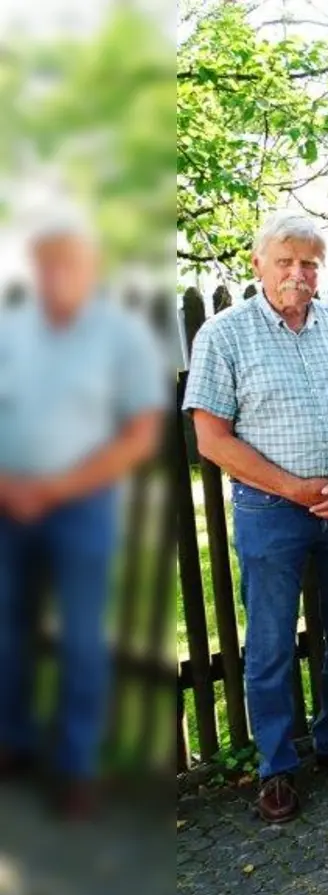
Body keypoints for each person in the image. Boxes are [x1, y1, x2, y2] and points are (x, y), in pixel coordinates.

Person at [183, 211, 328, 824]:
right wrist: (295, 489)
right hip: (272, 510)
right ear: (258, 265)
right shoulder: (224, 335)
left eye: (309, 264)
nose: (297, 274)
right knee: (272, 642)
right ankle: (276, 766)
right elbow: (212, 440)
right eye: (285, 262)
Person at [0, 213, 166, 817]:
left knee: (81, 637)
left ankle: (77, 765)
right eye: (46, 263)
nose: (56, 274)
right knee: (6, 629)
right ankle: (14, 740)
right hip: (8, 504)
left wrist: (55, 488)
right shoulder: (10, 330)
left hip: (83, 506)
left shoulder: (123, 337)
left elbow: (140, 435)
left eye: (68, 262)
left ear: (92, 267)